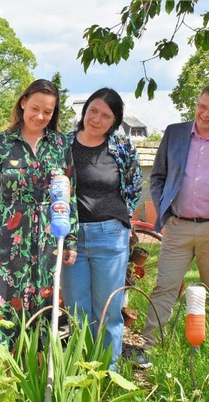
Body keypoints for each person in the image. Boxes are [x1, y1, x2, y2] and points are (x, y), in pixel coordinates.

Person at [133, 83, 209, 368]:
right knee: (165, 287)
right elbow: (158, 176)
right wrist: (165, 209)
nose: (205, 113)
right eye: (201, 106)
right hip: (177, 227)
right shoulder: (175, 133)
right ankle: (151, 349)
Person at [0, 79, 78, 346]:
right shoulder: (1, 143)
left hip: (48, 239)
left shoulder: (61, 144)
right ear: (23, 102)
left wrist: (71, 238)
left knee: (43, 304)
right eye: (35, 108)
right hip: (8, 238)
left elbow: (69, 192)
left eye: (48, 112)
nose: (40, 116)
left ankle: (36, 371)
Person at [61, 87, 143, 371]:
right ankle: (79, 375)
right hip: (72, 240)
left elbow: (134, 185)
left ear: (114, 121)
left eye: (105, 115)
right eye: (93, 110)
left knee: (107, 312)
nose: (96, 119)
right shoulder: (64, 145)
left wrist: (123, 217)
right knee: (77, 312)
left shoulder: (121, 147)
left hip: (110, 237)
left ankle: (108, 375)